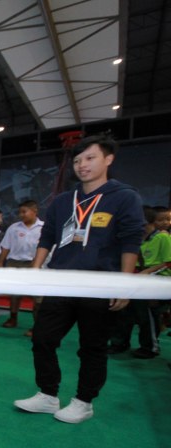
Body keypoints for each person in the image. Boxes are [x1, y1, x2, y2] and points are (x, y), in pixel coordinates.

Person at [14, 134, 144, 424]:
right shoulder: (63, 200)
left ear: (108, 159)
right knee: (43, 338)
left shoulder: (125, 197)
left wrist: (125, 284)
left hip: (100, 284)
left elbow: (131, 241)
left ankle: (84, 401)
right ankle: (48, 394)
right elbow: (47, 237)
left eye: (90, 158)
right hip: (61, 281)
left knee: (92, 347)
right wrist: (35, 271)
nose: (82, 165)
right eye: (77, 160)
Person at [108, 206, 171, 358]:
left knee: (146, 316)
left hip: (151, 282)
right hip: (132, 278)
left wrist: (146, 272)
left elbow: (168, 262)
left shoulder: (162, 238)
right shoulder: (132, 238)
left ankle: (150, 347)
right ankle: (119, 343)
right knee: (123, 313)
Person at [0, 200, 44, 335]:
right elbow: (6, 246)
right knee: (14, 294)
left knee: (38, 296)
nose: (21, 215)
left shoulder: (44, 227)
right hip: (14, 263)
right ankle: (13, 318)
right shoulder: (14, 228)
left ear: (35, 211)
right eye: (20, 212)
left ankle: (37, 325)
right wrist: (0, 263)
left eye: (24, 212)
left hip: (34, 264)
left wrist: (38, 263)